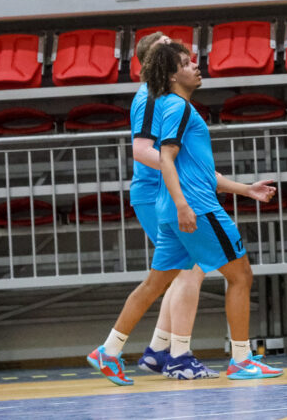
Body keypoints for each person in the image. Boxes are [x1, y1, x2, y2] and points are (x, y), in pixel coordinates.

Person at [148, 41, 283, 381]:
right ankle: (241, 360)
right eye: (185, 63)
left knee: (160, 283)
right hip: (200, 208)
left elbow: (201, 173)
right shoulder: (178, 108)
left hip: (185, 205)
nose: (195, 66)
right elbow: (165, 159)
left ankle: (134, 349)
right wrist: (183, 205)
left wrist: (246, 189)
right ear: (171, 75)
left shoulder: (174, 107)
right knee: (240, 276)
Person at [87, 31, 213, 383]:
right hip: (155, 193)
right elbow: (141, 150)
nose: (176, 50)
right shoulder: (148, 96)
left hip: (164, 192)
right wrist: (180, 170)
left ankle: (157, 351)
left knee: (180, 271)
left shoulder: (165, 96)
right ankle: (177, 356)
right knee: (189, 271)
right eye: (166, 47)